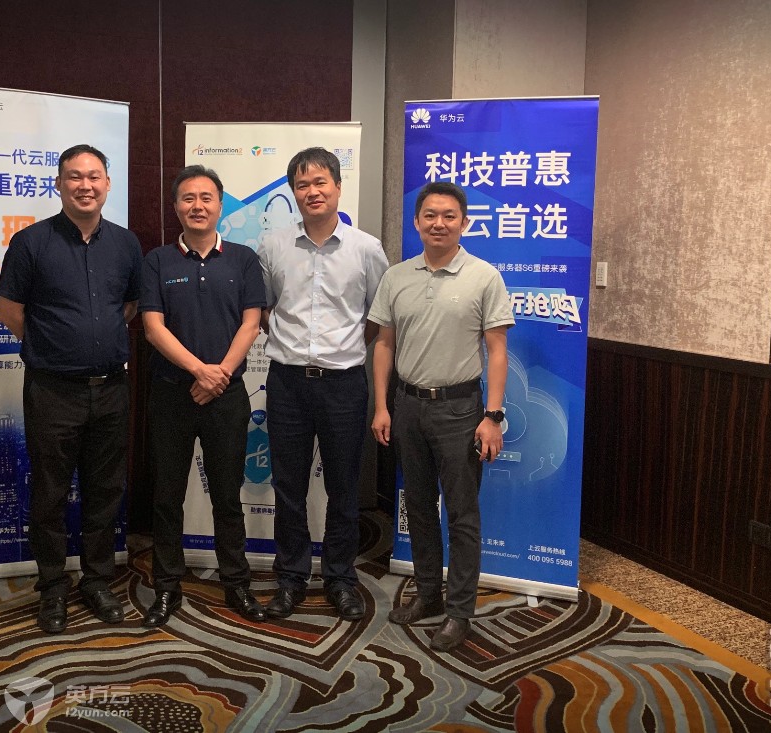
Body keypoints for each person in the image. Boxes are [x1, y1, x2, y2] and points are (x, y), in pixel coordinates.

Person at [0, 144, 142, 634]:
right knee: (50, 492)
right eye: (75, 176)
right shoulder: (30, 242)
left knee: (105, 490)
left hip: (112, 389)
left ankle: (97, 581)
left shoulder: (126, 244)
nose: (85, 185)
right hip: (53, 390)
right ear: (58, 184)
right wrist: (54, 347)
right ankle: (53, 588)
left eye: (94, 176)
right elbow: (10, 312)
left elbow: (129, 307)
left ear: (107, 184)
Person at [368, 181, 513, 652]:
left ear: (464, 223)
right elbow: (384, 344)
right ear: (416, 221)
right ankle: (428, 593)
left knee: (462, 513)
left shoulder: (484, 276)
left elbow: (497, 350)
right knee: (418, 506)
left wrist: (493, 415)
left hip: (460, 410)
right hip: (407, 406)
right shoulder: (397, 277)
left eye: (449, 216)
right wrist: (382, 406)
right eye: (430, 215)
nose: (439, 223)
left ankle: (460, 611)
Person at [258, 147, 389, 620]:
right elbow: (264, 310)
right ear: (293, 192)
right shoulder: (273, 246)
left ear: (337, 186)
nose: (312, 191)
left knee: (344, 486)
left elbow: (377, 317)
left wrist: (341, 349)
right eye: (302, 184)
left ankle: (340, 578)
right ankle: (290, 577)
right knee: (288, 486)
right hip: (287, 382)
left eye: (320, 182)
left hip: (343, 385)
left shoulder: (366, 249)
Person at [138, 165, 267, 627]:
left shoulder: (243, 259)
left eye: (206, 197)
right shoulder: (157, 261)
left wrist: (220, 375)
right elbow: (153, 328)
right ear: (176, 207)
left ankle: (237, 584)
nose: (198, 206)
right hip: (172, 395)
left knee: (228, 496)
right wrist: (199, 371)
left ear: (220, 204)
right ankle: (166, 588)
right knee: (166, 496)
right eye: (188, 198)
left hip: (227, 395)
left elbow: (252, 322)